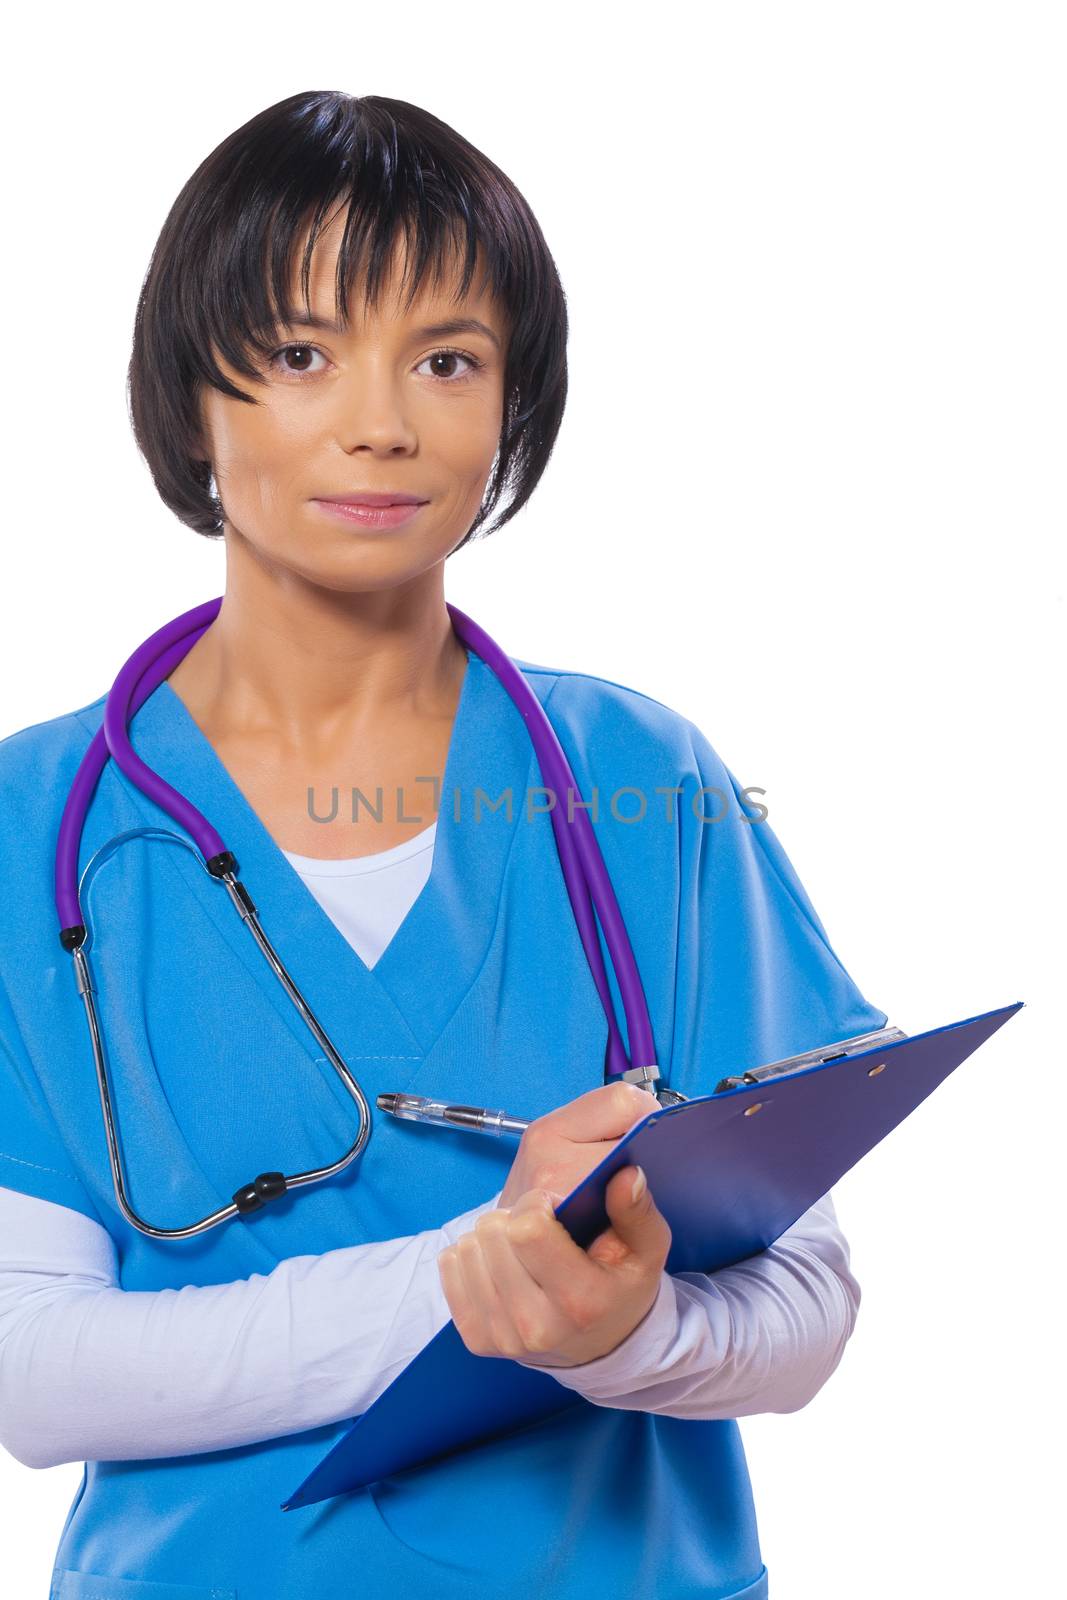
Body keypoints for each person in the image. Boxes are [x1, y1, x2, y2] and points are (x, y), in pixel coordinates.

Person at [0, 91, 888, 1600]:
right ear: (189, 395)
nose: (383, 421)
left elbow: (804, 1300)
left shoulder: (641, 784)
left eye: (448, 360)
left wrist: (629, 1334)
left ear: (510, 402)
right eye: (299, 353)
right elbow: (36, 1374)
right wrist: (480, 1274)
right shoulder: (37, 824)